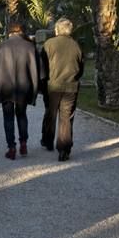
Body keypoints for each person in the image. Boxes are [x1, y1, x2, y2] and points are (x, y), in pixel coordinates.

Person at [0, 22, 39, 160]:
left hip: (6, 88)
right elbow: (38, 70)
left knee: (8, 118)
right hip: (23, 87)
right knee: (22, 115)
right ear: (21, 31)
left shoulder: (2, 47)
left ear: (9, 32)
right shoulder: (30, 46)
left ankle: (11, 147)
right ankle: (23, 142)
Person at [40, 17, 83, 161]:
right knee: (66, 117)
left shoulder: (49, 44)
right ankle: (64, 149)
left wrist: (43, 84)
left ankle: (47, 141)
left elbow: (43, 67)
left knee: (50, 113)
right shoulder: (76, 45)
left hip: (53, 85)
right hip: (71, 86)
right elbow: (81, 67)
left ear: (57, 30)